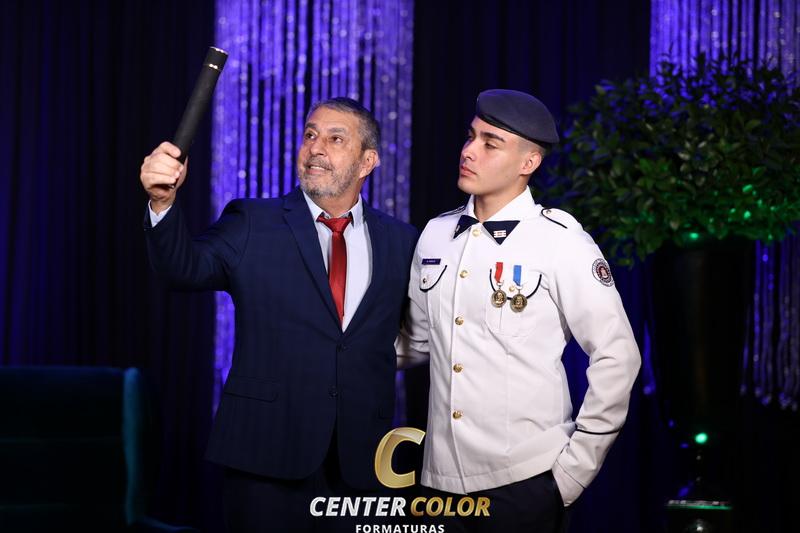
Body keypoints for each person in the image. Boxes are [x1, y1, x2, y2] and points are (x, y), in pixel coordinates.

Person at [140, 97, 418, 532]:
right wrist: (162, 203)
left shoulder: (403, 241)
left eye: (335, 139)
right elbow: (182, 269)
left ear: (368, 161)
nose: (315, 147)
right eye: (310, 135)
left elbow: (415, 332)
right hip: (265, 458)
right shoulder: (252, 220)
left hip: (363, 465)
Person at [397, 89, 641, 532]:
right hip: (437, 483)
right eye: (470, 136)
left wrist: (573, 473)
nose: (469, 151)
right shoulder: (435, 234)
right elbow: (415, 343)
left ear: (529, 162)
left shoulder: (560, 240)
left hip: (523, 482)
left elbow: (617, 355)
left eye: (490, 143)